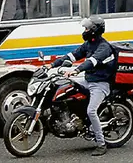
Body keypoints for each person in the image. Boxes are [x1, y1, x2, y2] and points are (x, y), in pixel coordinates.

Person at [49, 17, 115, 157]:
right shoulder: (89, 44)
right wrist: (52, 65)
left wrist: (76, 70)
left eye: (87, 28)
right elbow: (73, 55)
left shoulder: (104, 47)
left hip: (101, 84)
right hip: (88, 80)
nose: (85, 31)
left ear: (94, 30)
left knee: (91, 111)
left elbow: (92, 62)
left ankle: (101, 143)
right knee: (66, 87)